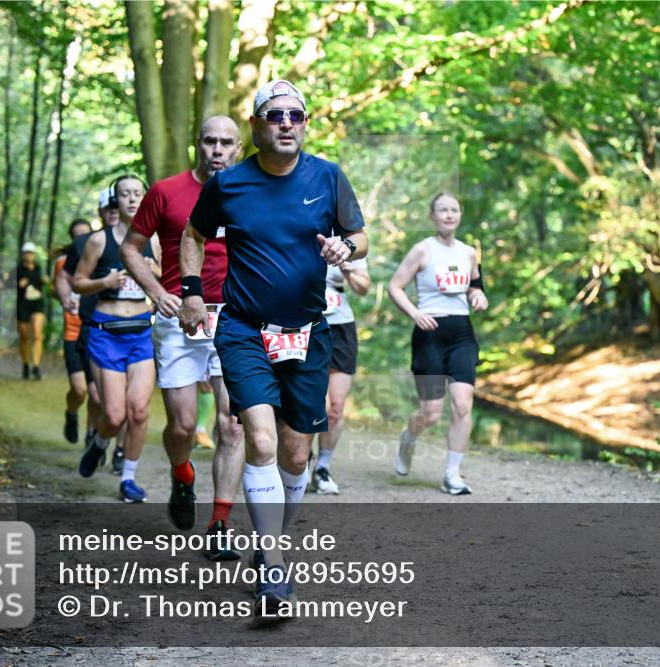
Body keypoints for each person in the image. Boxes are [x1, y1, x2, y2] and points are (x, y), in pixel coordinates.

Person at [180, 80, 368, 613]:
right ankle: (274, 566)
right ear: (256, 125)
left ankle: (273, 542)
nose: (287, 123)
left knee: (296, 451)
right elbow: (194, 236)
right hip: (243, 328)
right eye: (275, 115)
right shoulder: (230, 183)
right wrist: (191, 293)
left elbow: (361, 237)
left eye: (296, 115)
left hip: (307, 331)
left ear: (305, 124)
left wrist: (345, 246)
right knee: (259, 439)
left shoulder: (328, 177)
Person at [121, 115, 245, 559]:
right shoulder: (166, 191)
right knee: (183, 426)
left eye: (226, 143)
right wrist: (156, 293)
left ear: (239, 148)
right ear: (198, 144)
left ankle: (220, 524)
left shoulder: (252, 191)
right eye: (210, 141)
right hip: (179, 316)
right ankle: (182, 474)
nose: (217, 150)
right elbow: (131, 247)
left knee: (232, 422)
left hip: (236, 317)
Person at [386, 192, 488, 495]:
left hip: (461, 335)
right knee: (430, 412)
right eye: (442, 210)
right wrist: (415, 313)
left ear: (460, 215)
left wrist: (477, 295)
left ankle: (452, 474)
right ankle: (408, 438)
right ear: (432, 216)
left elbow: (475, 285)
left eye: (454, 210)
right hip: (429, 334)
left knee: (462, 404)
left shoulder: (468, 253)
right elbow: (395, 286)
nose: (449, 215)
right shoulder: (423, 250)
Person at [72, 175, 159, 503]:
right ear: (116, 201)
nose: (132, 199)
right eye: (125, 194)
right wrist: (104, 282)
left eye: (137, 193)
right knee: (114, 415)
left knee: (139, 411)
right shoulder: (99, 240)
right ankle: (100, 443)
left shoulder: (154, 240)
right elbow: (78, 282)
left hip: (141, 333)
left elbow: (169, 280)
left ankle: (128, 479)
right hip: (106, 333)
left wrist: (153, 270)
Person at [62, 190, 127, 466]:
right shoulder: (87, 243)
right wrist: (65, 297)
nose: (113, 211)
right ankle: (89, 430)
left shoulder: (140, 240)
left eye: (116, 206)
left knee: (127, 399)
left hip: (132, 328)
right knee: (91, 394)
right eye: (108, 207)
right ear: (100, 211)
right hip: (91, 326)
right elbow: (66, 277)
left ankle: (119, 452)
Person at [312, 252, 371, 494]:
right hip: (305, 322)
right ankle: (299, 457)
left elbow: (363, 288)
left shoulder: (350, 242)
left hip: (341, 325)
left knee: (335, 409)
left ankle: (322, 468)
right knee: (316, 404)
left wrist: (348, 270)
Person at [54, 219, 94, 444]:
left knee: (97, 394)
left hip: (96, 332)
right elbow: (58, 287)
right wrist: (65, 300)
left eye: (86, 235)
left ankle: (91, 436)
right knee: (79, 390)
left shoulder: (100, 257)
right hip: (72, 332)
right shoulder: (63, 263)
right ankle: (71, 413)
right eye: (78, 236)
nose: (82, 240)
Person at [16, 242, 46, 380]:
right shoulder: (18, 269)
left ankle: (36, 366)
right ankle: (25, 364)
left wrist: (44, 281)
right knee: (24, 336)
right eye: (27, 253)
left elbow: (40, 283)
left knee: (37, 334)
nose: (29, 255)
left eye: (31, 253)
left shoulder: (38, 268)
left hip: (37, 304)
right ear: (23, 254)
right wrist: (19, 284)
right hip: (23, 304)